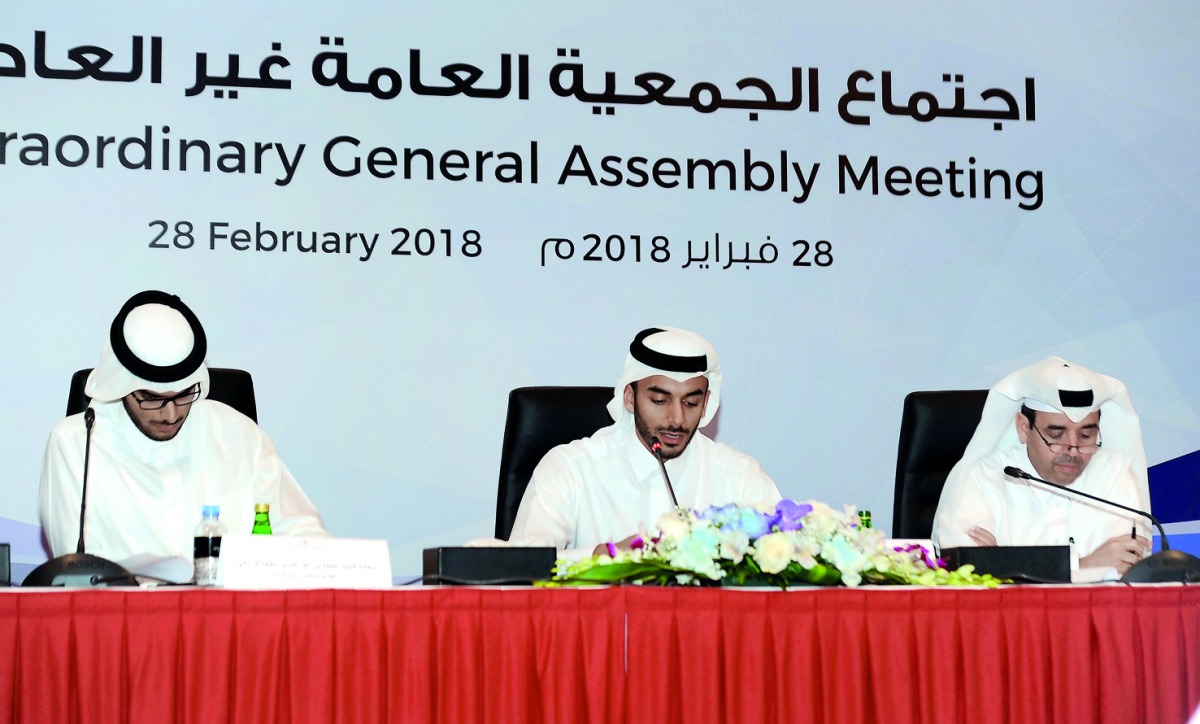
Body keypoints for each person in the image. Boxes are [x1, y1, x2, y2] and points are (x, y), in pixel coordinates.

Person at [38, 290, 328, 564]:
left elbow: (300, 533)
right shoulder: (77, 443)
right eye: (152, 398)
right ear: (122, 385)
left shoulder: (240, 435)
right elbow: (79, 570)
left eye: (184, 395)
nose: (171, 414)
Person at [507, 326, 782, 558]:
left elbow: (785, 559)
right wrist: (602, 556)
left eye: (691, 402)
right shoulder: (570, 468)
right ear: (629, 397)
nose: (677, 418)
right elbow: (523, 565)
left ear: (707, 403)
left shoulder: (739, 475)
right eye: (660, 400)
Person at [931, 356, 1150, 578]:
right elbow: (967, 570)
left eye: (1086, 435)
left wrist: (1006, 564)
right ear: (1024, 428)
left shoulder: (1114, 473)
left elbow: (1127, 566)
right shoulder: (981, 479)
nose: (1072, 450)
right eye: (1056, 435)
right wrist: (1084, 566)